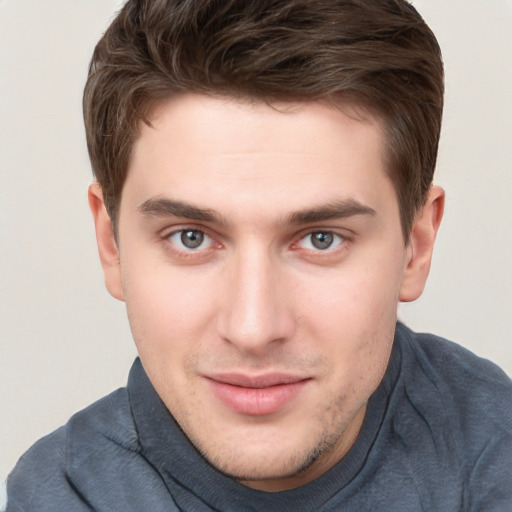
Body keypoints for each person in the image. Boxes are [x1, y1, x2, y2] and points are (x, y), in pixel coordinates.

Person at [6, 0, 511, 510]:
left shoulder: (492, 447)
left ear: (415, 246)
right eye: (191, 237)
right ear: (111, 244)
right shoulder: (65, 495)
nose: (252, 328)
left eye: (321, 239)